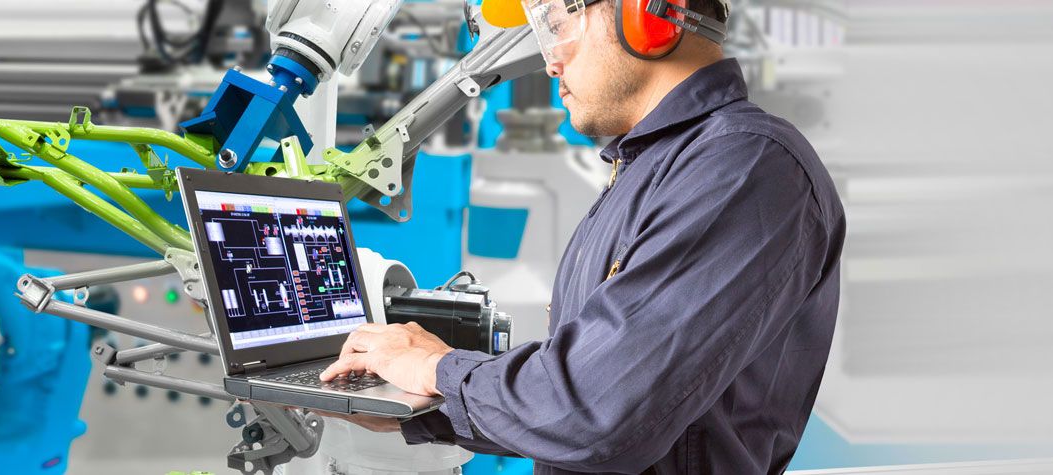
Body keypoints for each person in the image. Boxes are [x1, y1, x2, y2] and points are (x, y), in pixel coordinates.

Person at [310, 0, 846, 472]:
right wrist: (423, 409)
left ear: (651, 14)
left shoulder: (743, 168)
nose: (549, 60)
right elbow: (586, 386)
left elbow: (596, 411)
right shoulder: (653, 167)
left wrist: (436, 369)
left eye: (557, 22)